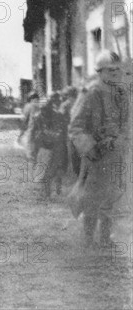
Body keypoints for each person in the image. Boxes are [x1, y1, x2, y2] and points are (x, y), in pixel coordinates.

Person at [68, 50, 130, 247]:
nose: (116, 74)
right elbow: (76, 127)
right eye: (111, 70)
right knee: (92, 199)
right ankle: (88, 240)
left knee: (112, 198)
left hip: (117, 155)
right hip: (97, 156)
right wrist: (90, 148)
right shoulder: (91, 93)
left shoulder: (122, 93)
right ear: (100, 71)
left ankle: (105, 239)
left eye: (118, 70)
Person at [59, 86, 80, 175]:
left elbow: (60, 117)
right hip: (80, 130)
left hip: (68, 130)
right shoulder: (80, 102)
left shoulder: (65, 104)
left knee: (69, 151)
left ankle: (73, 171)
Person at [18, 91, 40, 160]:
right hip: (39, 131)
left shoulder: (28, 106)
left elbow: (24, 120)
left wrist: (21, 132)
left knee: (29, 151)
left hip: (31, 130)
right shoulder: (39, 106)